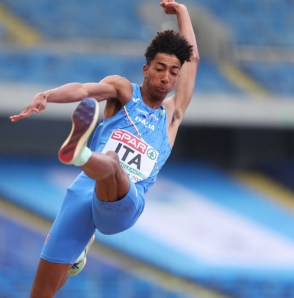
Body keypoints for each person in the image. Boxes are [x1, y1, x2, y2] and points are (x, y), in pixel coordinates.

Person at [10, 0, 199, 297]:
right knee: (43, 290)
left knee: (112, 161)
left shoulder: (172, 115)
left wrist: (182, 13)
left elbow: (194, 60)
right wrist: (48, 95)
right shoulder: (123, 91)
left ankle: (80, 153)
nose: (166, 77)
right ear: (145, 69)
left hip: (126, 202)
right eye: (160, 69)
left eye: (174, 72)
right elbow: (84, 91)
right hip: (84, 192)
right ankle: (78, 249)